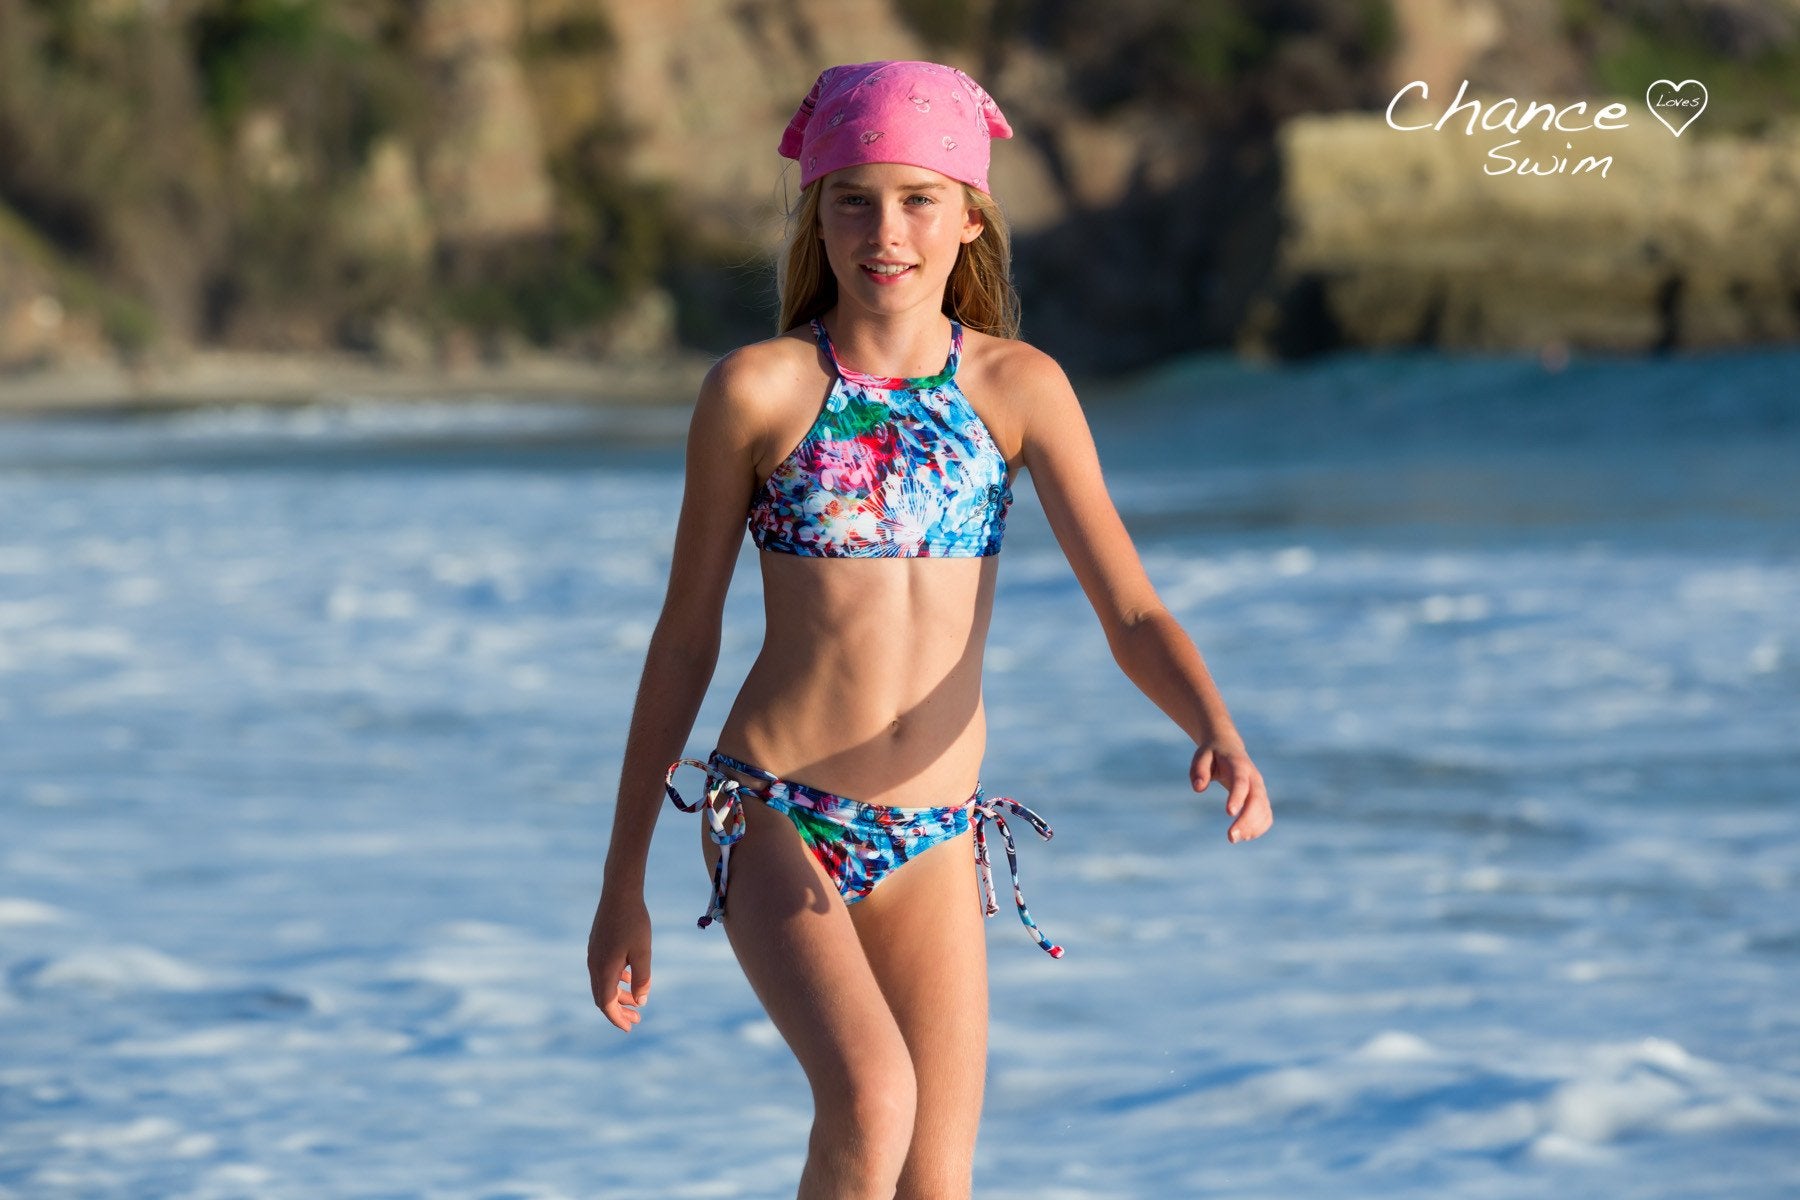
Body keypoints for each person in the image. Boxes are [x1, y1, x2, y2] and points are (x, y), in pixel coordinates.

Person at [586, 59, 1273, 1200]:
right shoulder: (758, 391)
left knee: (937, 1180)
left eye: (917, 198)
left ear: (969, 218)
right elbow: (685, 639)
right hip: (775, 812)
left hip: (937, 838)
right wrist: (623, 881)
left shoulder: (1017, 390)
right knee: (872, 1101)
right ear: (816, 213)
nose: (884, 229)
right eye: (851, 197)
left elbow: (1133, 607)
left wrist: (1217, 727)